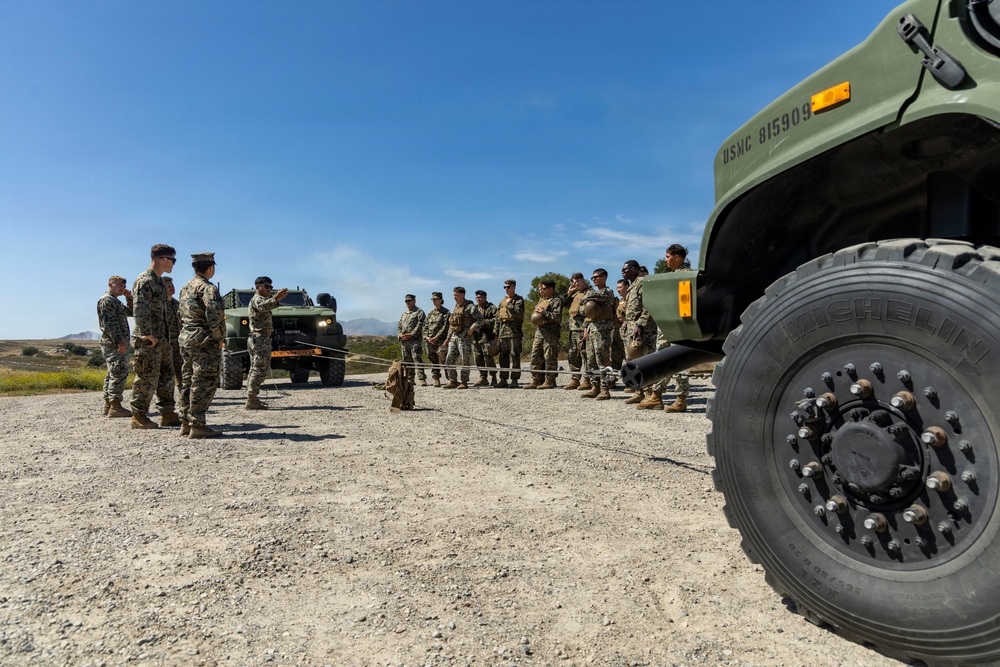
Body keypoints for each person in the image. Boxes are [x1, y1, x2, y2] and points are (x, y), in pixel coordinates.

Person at [130, 243, 179, 429]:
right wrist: (146, 334)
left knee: (167, 376)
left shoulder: (159, 281)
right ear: (162, 259)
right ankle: (138, 415)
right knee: (146, 376)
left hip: (162, 338)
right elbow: (139, 309)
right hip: (149, 339)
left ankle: (167, 413)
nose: (174, 264)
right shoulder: (145, 280)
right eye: (173, 260)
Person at [178, 252, 226, 438]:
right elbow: (214, 315)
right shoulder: (207, 288)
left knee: (188, 380)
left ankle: (185, 422)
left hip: (187, 339)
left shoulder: (186, 288)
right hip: (204, 340)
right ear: (211, 268)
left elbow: (180, 314)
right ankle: (197, 424)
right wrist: (219, 337)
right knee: (204, 381)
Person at [654, 244, 694, 413]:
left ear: (677, 257)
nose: (666, 259)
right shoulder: (673, 276)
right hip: (667, 322)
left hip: (679, 324)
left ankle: (681, 399)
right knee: (662, 357)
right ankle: (656, 396)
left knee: (679, 359)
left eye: (668, 256)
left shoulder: (687, 275)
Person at [621, 259, 660, 408]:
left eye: (626, 269)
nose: (623, 271)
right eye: (622, 270)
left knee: (646, 360)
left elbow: (649, 304)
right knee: (633, 360)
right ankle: (639, 392)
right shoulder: (632, 286)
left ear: (635, 269)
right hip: (631, 329)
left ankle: (650, 394)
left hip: (643, 330)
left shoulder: (642, 282)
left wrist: (640, 323)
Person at [246, 276, 289, 409]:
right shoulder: (257, 299)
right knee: (260, 368)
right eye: (266, 286)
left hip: (260, 337)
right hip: (259, 338)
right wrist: (277, 298)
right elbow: (264, 306)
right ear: (258, 287)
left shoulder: (262, 299)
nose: (269, 289)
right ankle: (251, 398)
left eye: (270, 287)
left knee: (256, 367)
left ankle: (252, 397)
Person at [97, 275, 133, 418]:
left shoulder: (115, 302)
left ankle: (109, 405)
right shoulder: (107, 301)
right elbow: (110, 324)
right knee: (118, 372)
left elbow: (131, 312)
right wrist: (120, 341)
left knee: (113, 373)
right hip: (113, 344)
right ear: (110, 284)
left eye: (123, 286)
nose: (122, 288)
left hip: (115, 343)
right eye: (119, 285)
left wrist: (129, 297)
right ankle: (115, 406)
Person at [580, 268, 617, 400]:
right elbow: (582, 310)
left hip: (602, 330)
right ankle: (594, 387)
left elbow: (593, 298)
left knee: (602, 359)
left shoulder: (608, 292)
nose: (594, 279)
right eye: (593, 278)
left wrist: (586, 297)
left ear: (604, 277)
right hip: (591, 329)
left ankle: (605, 389)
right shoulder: (592, 293)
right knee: (591, 360)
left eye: (597, 277)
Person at [443, 286, 484, 389]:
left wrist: (472, 328)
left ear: (462, 295)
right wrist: (448, 338)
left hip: (465, 338)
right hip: (454, 337)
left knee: (465, 359)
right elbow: (452, 324)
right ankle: (453, 380)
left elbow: (480, 320)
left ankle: (464, 381)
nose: (454, 297)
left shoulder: (470, 307)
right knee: (449, 358)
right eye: (454, 295)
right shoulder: (456, 307)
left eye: (456, 295)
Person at [524, 279, 562, 389]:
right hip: (539, 333)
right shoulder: (541, 301)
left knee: (549, 357)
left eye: (544, 289)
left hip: (551, 334)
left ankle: (550, 381)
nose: (542, 291)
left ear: (551, 289)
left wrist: (543, 312)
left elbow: (557, 317)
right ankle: (536, 380)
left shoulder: (556, 301)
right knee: (535, 356)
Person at [563, 272, 590, 390]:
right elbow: (562, 304)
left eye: (578, 281)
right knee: (573, 354)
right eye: (574, 281)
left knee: (585, 354)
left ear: (583, 280)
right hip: (573, 329)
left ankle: (587, 379)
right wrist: (569, 293)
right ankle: (575, 379)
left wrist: (586, 329)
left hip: (583, 328)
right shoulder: (574, 295)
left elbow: (591, 312)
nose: (576, 283)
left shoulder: (589, 293)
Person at [495, 279, 525, 388]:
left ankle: (514, 380)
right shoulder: (502, 302)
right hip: (503, 333)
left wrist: (509, 304)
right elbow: (498, 318)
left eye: (508, 287)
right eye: (505, 287)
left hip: (514, 332)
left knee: (515, 356)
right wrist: (496, 334)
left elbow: (517, 312)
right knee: (503, 357)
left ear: (514, 287)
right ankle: (503, 379)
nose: (506, 289)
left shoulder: (519, 300)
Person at [398, 294, 428, 386]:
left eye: (409, 301)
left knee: (417, 358)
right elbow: (399, 326)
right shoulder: (404, 314)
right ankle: (410, 378)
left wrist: (411, 334)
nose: (407, 302)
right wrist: (400, 335)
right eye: (406, 301)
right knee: (406, 359)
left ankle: (422, 378)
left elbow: (420, 326)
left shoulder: (419, 312)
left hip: (415, 340)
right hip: (404, 341)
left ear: (414, 301)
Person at [471, 290, 498, 386]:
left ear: (485, 297)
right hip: (476, 337)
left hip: (487, 336)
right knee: (478, 358)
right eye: (477, 297)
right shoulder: (474, 308)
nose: (478, 299)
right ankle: (483, 378)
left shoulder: (491, 308)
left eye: (480, 297)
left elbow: (496, 320)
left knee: (488, 358)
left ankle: (493, 377)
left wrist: (484, 322)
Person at [423, 292, 450, 387]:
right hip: (430, 341)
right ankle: (436, 379)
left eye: (436, 299)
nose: (434, 301)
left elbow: (445, 327)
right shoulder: (430, 313)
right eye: (433, 299)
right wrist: (426, 337)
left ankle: (450, 379)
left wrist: (436, 337)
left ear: (441, 300)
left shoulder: (446, 313)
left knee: (444, 360)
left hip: (440, 341)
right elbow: (425, 327)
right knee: (433, 361)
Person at [163, 276, 183, 392]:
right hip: (165, 343)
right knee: (165, 372)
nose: (172, 288)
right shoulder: (159, 304)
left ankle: (183, 395)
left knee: (181, 370)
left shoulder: (177, 304)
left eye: (172, 285)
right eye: (168, 286)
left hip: (178, 344)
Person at [611, 278, 628, 376]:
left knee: (629, 357)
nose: (618, 290)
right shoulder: (620, 301)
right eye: (617, 288)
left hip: (627, 332)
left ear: (627, 287)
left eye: (620, 287)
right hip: (617, 332)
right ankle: (613, 379)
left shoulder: (631, 301)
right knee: (615, 357)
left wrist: (625, 320)